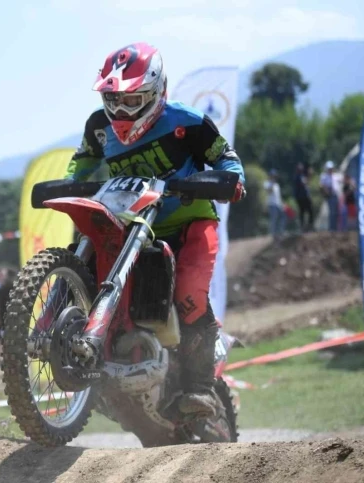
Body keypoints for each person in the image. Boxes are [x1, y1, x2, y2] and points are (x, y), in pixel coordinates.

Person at [63, 42, 246, 419]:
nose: (121, 111)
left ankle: (200, 388)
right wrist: (71, 183)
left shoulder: (187, 122)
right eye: (113, 100)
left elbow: (225, 158)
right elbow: (81, 163)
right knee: (86, 252)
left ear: (157, 91)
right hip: (129, 225)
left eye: (132, 100)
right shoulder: (99, 127)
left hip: (188, 222)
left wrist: (232, 180)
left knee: (190, 294)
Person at [319, 160, 343, 231]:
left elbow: (342, 180)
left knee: (336, 211)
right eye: (329, 168)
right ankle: (332, 228)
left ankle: (335, 227)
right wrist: (326, 191)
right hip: (329, 195)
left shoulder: (335, 176)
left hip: (336, 195)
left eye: (331, 168)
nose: (330, 170)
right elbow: (321, 185)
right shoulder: (324, 176)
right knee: (332, 211)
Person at [264, 169, 286, 241]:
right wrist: (272, 184)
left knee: (283, 217)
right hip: (272, 204)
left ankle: (280, 232)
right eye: (272, 176)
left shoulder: (277, 185)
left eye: (274, 176)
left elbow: (278, 196)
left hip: (278, 204)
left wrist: (282, 204)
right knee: (274, 219)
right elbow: (269, 191)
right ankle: (273, 234)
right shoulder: (267, 183)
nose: (274, 177)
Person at [293, 162, 314, 231]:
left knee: (304, 211)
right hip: (302, 197)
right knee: (308, 211)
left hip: (301, 197)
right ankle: (307, 226)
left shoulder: (300, 176)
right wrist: (310, 175)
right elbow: (305, 182)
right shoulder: (299, 176)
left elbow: (306, 183)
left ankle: (305, 227)